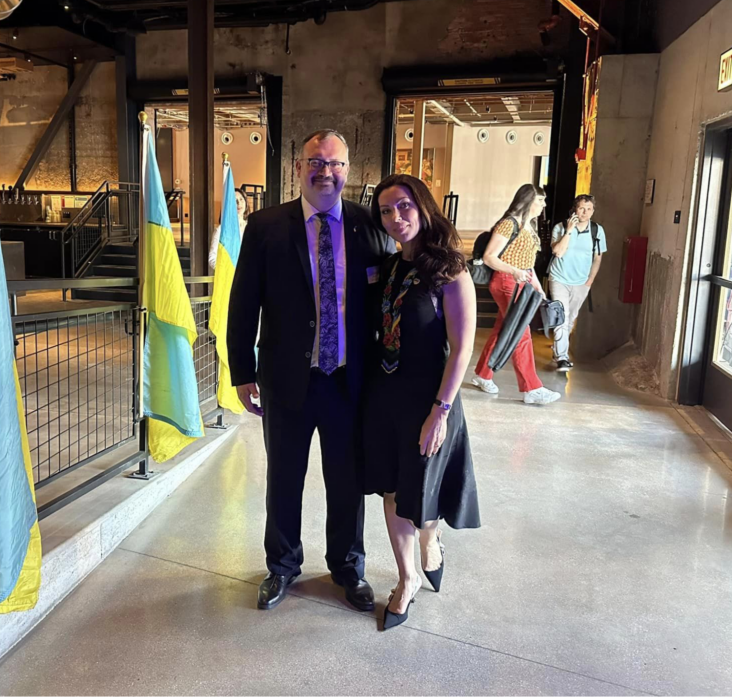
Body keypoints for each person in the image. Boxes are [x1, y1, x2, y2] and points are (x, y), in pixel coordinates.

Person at [228, 130, 395, 612]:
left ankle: (347, 567)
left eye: (335, 163)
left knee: (347, 481)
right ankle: (281, 566)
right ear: (298, 167)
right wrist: (243, 370)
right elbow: (243, 305)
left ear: (349, 168)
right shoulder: (265, 226)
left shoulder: (370, 225)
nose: (326, 171)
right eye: (315, 162)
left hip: (349, 382)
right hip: (285, 381)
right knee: (284, 477)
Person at [362, 174, 481, 630]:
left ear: (424, 207)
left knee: (421, 492)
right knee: (393, 489)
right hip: (385, 396)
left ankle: (431, 544)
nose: (396, 218)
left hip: (429, 399)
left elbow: (463, 348)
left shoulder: (449, 270)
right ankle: (407, 577)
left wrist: (441, 411)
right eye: (387, 211)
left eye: (405, 206)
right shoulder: (389, 268)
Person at [471, 184, 561, 405]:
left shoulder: (527, 226)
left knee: (502, 329)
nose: (544, 205)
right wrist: (515, 271)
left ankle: (482, 375)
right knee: (521, 332)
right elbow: (490, 257)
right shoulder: (508, 224)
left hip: (521, 282)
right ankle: (531, 388)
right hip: (506, 283)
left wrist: (537, 286)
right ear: (528, 201)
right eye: (541, 200)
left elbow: (527, 265)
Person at [548, 194, 605, 371]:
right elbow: (557, 252)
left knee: (570, 319)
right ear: (575, 209)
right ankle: (562, 357)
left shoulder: (597, 230)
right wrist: (569, 231)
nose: (585, 212)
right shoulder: (561, 227)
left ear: (593, 211)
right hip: (559, 278)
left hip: (581, 281)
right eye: (581, 208)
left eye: (589, 209)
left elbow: (597, 258)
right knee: (561, 318)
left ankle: (558, 350)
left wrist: (590, 281)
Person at [209, 188, 249, 271]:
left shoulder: (252, 226)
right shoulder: (221, 229)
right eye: (234, 200)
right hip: (231, 278)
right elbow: (212, 258)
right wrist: (227, 272)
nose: (239, 203)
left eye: (241, 199)